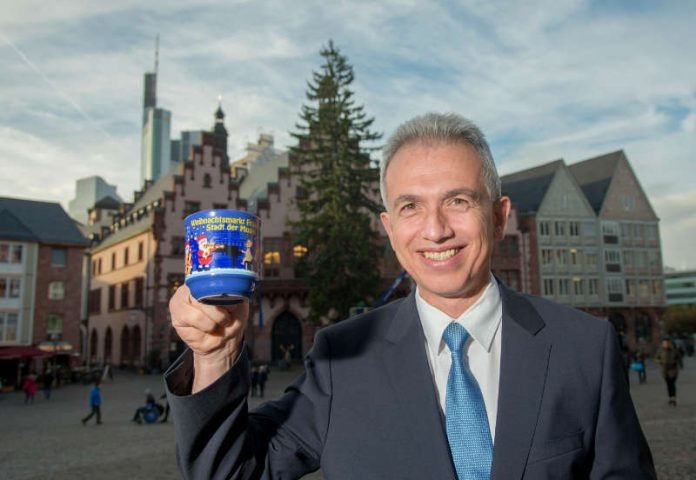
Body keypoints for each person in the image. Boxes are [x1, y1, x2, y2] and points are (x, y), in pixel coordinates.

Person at [165, 113, 656, 479]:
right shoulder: (343, 358)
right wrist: (216, 353)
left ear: (500, 217)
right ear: (389, 228)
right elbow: (230, 474)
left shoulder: (584, 347)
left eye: (458, 201)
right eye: (411, 207)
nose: (436, 230)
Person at [654, 338, 682, 406]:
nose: (666, 344)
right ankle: (670, 398)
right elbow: (656, 358)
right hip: (664, 370)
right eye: (664, 343)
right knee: (668, 384)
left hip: (673, 370)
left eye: (667, 343)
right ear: (662, 344)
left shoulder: (674, 350)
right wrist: (661, 362)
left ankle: (673, 398)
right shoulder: (660, 351)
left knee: (672, 384)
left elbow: (679, 358)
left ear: (670, 343)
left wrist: (675, 362)